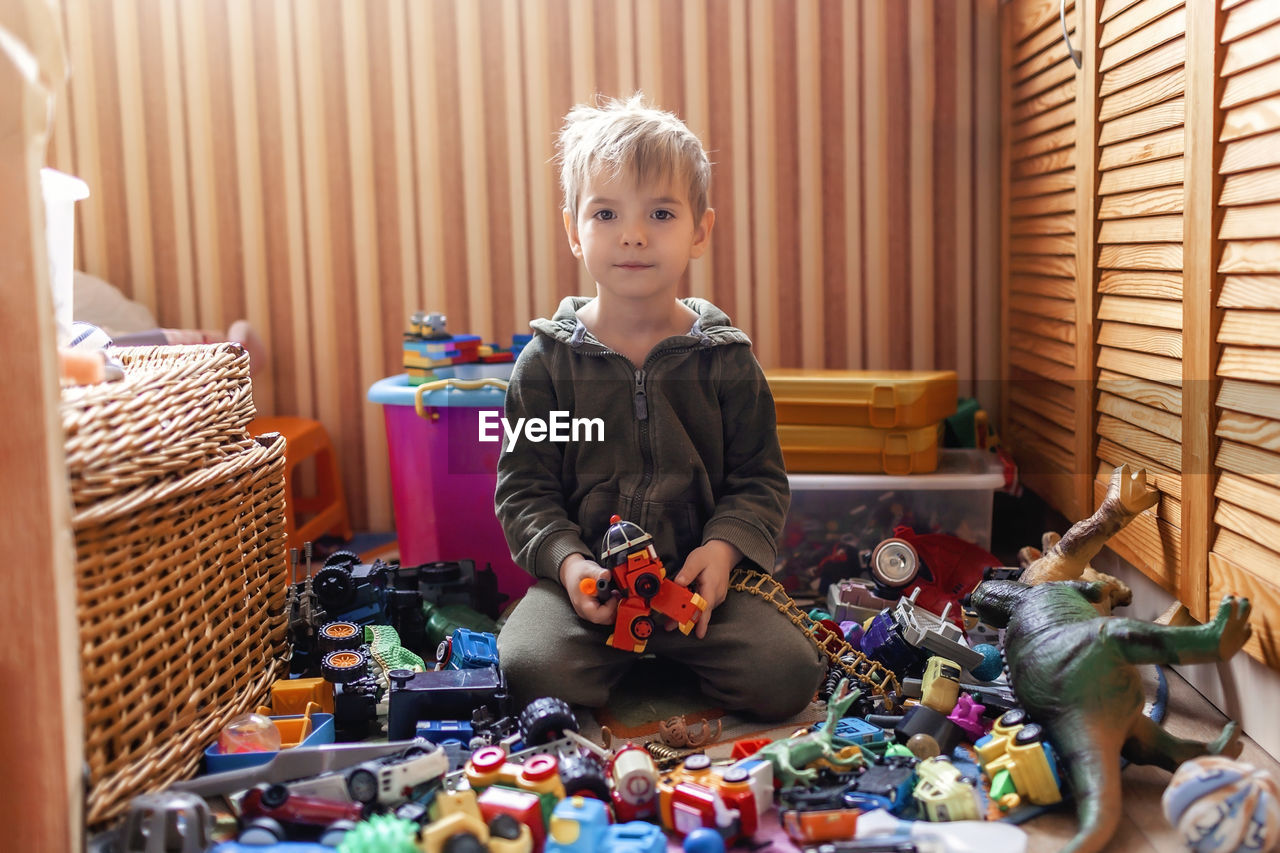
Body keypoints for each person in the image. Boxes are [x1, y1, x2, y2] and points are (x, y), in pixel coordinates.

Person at [494, 94, 825, 720]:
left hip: (700, 590)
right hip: (587, 594)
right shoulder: (545, 365)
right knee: (530, 670)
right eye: (607, 213)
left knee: (788, 674)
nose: (634, 234)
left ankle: (664, 659)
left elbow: (759, 480)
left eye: (662, 213)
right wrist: (568, 565)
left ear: (700, 231)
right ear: (573, 230)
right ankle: (631, 661)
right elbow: (524, 491)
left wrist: (724, 550)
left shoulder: (726, 361)